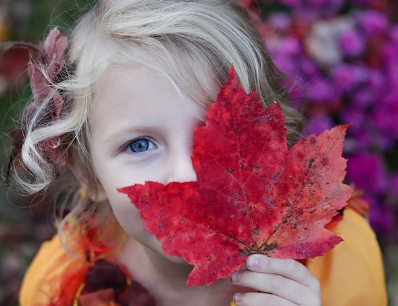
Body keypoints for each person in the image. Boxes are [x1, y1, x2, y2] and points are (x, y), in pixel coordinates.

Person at [3, 0, 387, 305]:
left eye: (216, 135)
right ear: (87, 172)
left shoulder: (338, 268)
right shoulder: (59, 288)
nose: (187, 176)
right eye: (140, 144)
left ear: (272, 144)